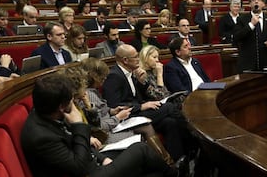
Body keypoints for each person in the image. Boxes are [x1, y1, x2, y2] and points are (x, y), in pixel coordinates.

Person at [21, 72, 179, 177]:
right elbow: (79, 167)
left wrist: (101, 158)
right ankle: (174, 173)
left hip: (91, 161)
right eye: (71, 99)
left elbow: (77, 145)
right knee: (141, 149)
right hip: (87, 172)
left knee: (148, 169)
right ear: (62, 106)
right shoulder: (41, 137)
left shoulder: (48, 112)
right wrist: (78, 125)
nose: (74, 103)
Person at [79, 58, 177, 166]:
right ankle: (166, 164)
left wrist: (113, 111)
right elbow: (98, 126)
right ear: (94, 76)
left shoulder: (93, 91)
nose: (104, 79)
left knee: (162, 122)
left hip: (113, 125)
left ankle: (167, 163)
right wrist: (118, 117)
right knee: (165, 111)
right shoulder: (89, 95)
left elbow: (103, 111)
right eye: (102, 77)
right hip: (105, 135)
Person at [102, 44, 189, 162]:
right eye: (135, 57)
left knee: (170, 122)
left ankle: (178, 160)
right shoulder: (114, 76)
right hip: (127, 117)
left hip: (138, 112)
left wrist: (141, 81)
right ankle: (195, 137)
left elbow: (137, 96)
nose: (138, 59)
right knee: (169, 107)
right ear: (125, 60)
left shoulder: (132, 72)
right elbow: (114, 105)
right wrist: (141, 106)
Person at [233, 0, 267, 72]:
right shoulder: (242, 19)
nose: (256, 1)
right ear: (250, 4)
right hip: (247, 64)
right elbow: (236, 37)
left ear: (263, 4)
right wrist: (251, 25)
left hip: (266, 63)